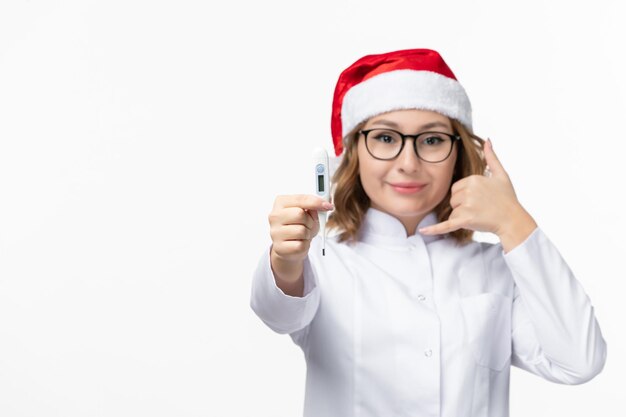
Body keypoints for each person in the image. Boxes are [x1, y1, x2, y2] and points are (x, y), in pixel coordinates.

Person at [249, 48, 607, 417]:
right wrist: (285, 259)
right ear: (354, 151)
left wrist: (514, 221)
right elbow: (277, 311)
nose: (408, 163)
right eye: (386, 138)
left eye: (432, 140)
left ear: (459, 152)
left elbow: (580, 361)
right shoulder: (325, 261)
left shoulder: (497, 269)